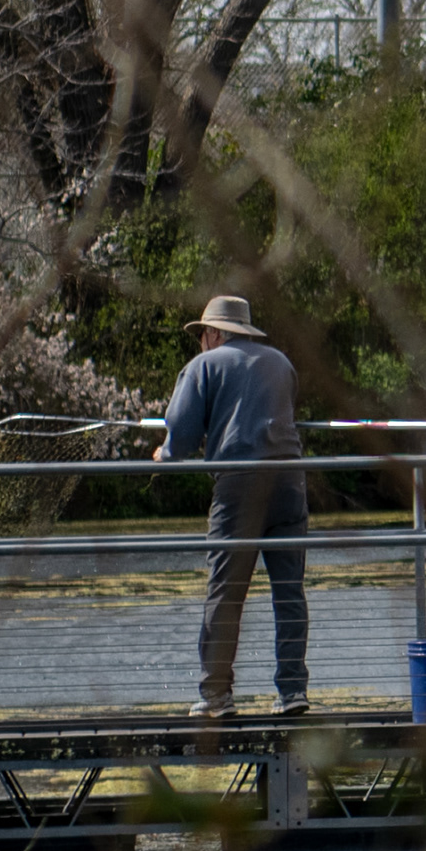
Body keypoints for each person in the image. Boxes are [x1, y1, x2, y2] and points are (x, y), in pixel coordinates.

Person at [153, 295, 310, 719]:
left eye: (202, 334)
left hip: (239, 484)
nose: (201, 342)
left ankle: (216, 694)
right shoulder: (281, 363)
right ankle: (293, 690)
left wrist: (166, 453)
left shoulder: (203, 366)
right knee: (289, 591)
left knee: (225, 589)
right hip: (290, 481)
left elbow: (181, 432)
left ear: (214, 333)